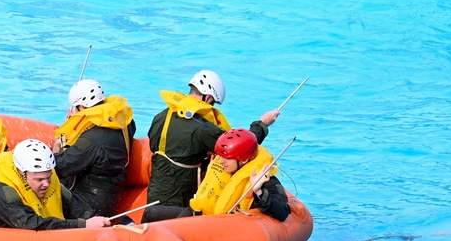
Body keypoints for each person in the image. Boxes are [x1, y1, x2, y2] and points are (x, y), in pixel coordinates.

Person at [143, 70, 279, 222]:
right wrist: (262, 124)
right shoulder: (203, 129)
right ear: (207, 97)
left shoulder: (161, 117)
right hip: (180, 197)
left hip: (155, 192)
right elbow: (237, 146)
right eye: (213, 103)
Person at [0, 139, 110, 230]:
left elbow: (77, 206)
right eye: (39, 180)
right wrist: (83, 225)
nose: (46, 184)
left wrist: (113, 224)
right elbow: (31, 224)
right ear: (21, 173)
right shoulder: (2, 191)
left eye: (48, 177)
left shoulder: (46, 177)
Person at [144, 129, 290, 222]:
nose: (221, 162)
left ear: (244, 159)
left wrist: (258, 191)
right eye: (220, 156)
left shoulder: (265, 180)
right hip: (198, 215)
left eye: (227, 158)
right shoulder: (221, 164)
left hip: (219, 228)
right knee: (151, 213)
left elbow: (283, 212)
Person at [50, 79, 136, 217]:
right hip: (109, 196)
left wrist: (58, 146)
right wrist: (78, 124)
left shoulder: (90, 141)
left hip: (88, 207)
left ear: (82, 108)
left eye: (76, 107)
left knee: (40, 180)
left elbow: (59, 167)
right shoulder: (125, 122)